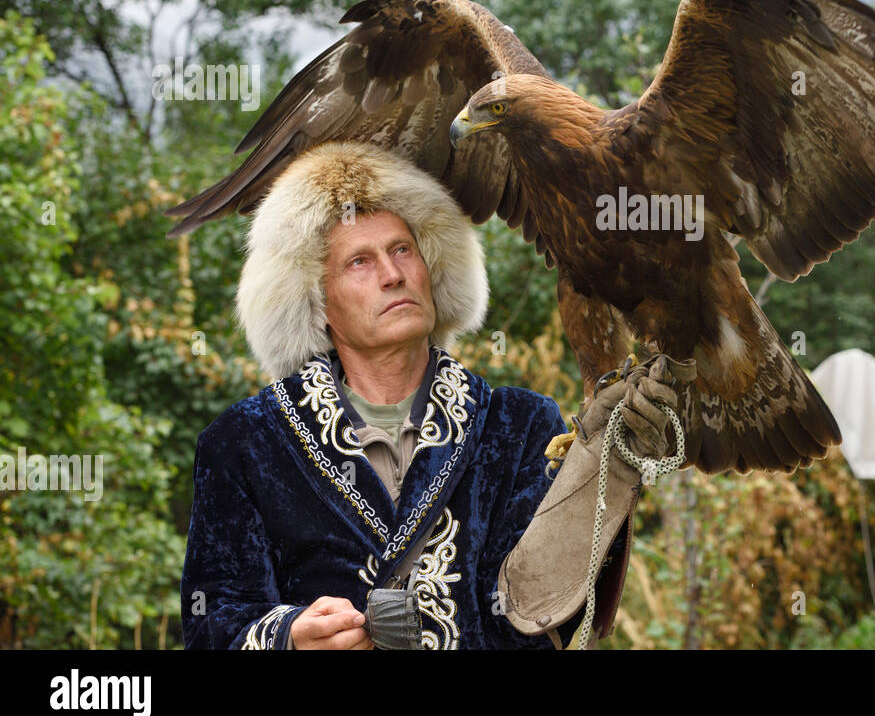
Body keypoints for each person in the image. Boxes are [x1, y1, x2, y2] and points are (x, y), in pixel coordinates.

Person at [179, 141, 693, 649]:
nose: (393, 274)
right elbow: (211, 622)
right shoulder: (244, 442)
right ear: (316, 301)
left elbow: (543, 619)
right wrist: (288, 637)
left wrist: (606, 470)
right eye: (360, 261)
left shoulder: (519, 425)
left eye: (403, 249)